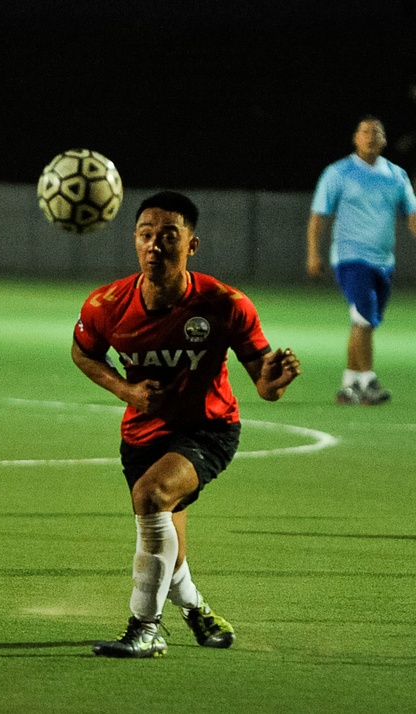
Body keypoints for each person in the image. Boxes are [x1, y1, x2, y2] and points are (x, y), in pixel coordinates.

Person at [72, 191, 301, 658]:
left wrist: (274, 382)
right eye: (146, 235)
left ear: (191, 245)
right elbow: (83, 353)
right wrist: (127, 392)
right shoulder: (107, 304)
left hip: (208, 430)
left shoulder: (225, 303)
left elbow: (263, 383)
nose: (155, 245)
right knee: (168, 545)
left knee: (151, 496)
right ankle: (196, 610)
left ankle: (145, 628)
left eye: (169, 236)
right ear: (134, 241)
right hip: (142, 435)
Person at [307, 115, 416, 405]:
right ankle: (369, 381)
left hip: (384, 261)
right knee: (364, 317)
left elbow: (412, 214)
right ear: (355, 138)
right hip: (350, 257)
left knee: (363, 322)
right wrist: (313, 252)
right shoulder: (338, 173)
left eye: (376, 132)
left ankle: (349, 383)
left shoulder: (396, 175)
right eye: (364, 131)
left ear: (384, 140)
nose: (370, 136)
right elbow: (319, 216)